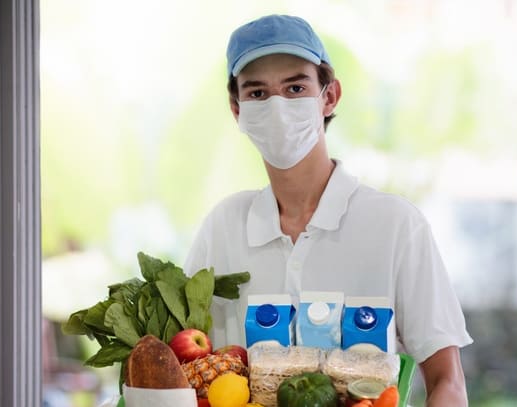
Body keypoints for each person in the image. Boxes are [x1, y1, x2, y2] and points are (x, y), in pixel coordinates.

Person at [184, 14, 473, 406]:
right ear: (237, 110)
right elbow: (185, 368)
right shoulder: (223, 228)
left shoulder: (395, 226)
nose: (278, 107)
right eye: (257, 94)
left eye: (296, 87)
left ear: (330, 96)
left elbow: (447, 382)